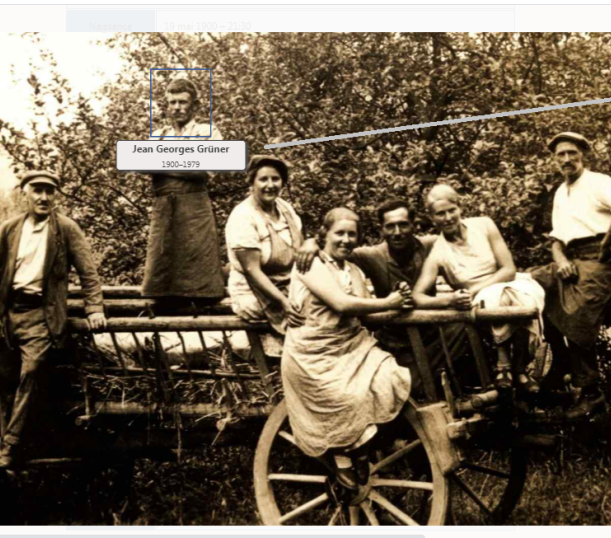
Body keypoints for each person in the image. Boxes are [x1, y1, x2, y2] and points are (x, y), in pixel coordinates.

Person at [0, 171, 107, 467]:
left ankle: (11, 445)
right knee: (0, 375)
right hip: (7, 313)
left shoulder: (66, 229)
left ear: (55, 196)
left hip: (42, 314)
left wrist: (95, 309)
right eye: (37, 190)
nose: (44, 197)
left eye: (49, 192)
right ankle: (9, 437)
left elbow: (88, 273)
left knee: (32, 370)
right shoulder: (9, 228)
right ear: (24, 192)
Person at [282, 207, 413, 489]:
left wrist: (401, 303)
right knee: (345, 396)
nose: (345, 239)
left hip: (350, 346)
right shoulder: (310, 264)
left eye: (352, 234)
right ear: (324, 234)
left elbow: (366, 313)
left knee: (389, 374)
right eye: (339, 233)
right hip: (313, 354)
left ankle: (361, 448)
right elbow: (341, 304)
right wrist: (388, 302)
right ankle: (343, 456)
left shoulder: (352, 269)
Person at [528, 132, 611, 420]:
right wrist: (562, 259)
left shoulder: (597, 182)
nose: (566, 159)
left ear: (582, 155)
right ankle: (561, 359)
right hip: (574, 259)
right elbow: (556, 239)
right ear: (554, 159)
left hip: (605, 259)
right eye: (560, 154)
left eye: (572, 153)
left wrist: (607, 241)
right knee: (532, 284)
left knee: (577, 305)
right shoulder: (560, 192)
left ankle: (591, 392)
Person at [412, 185, 545, 393]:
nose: (448, 218)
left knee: (523, 298)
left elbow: (508, 269)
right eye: (440, 213)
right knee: (492, 298)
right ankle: (508, 367)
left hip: (505, 282)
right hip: (480, 302)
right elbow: (417, 296)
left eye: (451, 210)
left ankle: (516, 367)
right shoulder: (438, 252)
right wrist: (450, 300)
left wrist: (474, 289)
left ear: (460, 207)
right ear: (432, 218)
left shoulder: (484, 225)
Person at [349, 199, 469, 396]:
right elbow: (331, 252)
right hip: (396, 340)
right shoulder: (370, 255)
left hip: (435, 334)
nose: (397, 232)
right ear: (381, 229)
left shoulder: (431, 245)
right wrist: (310, 245)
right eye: (390, 226)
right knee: (411, 389)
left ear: (414, 225)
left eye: (403, 224)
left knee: (465, 327)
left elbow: (466, 235)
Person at [224, 155, 319, 356]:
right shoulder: (244, 216)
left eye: (275, 179)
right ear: (251, 182)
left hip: (287, 284)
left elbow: (301, 248)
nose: (270, 185)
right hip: (255, 292)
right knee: (307, 313)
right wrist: (284, 302)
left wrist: (312, 243)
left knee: (326, 300)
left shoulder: (285, 208)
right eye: (263, 179)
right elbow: (253, 272)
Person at [143, 78, 224, 301]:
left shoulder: (207, 132)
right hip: (163, 209)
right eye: (172, 102)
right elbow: (141, 166)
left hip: (195, 209)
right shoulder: (158, 135)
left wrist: (162, 163)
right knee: (161, 274)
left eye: (182, 102)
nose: (177, 107)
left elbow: (206, 169)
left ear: (194, 105)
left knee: (199, 270)